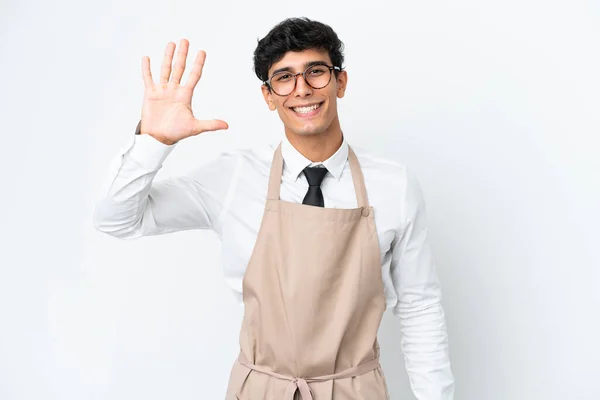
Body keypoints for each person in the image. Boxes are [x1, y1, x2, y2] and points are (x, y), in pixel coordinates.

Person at [93, 17, 454, 400]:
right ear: (268, 96)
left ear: (340, 82)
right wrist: (154, 141)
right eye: (284, 77)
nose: (302, 89)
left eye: (316, 72)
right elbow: (117, 220)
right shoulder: (233, 178)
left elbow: (420, 308)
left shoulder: (394, 186)